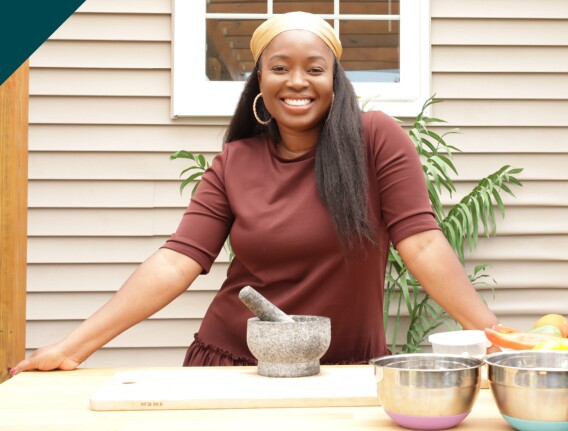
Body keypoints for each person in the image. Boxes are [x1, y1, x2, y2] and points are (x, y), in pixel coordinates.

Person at [11, 11, 498, 374]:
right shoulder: (235, 161)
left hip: (345, 369)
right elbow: (175, 260)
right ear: (260, 83)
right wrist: (74, 347)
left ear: (335, 82)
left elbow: (423, 242)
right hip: (235, 364)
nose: (297, 82)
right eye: (279, 68)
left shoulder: (376, 139)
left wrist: (496, 338)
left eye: (314, 68)